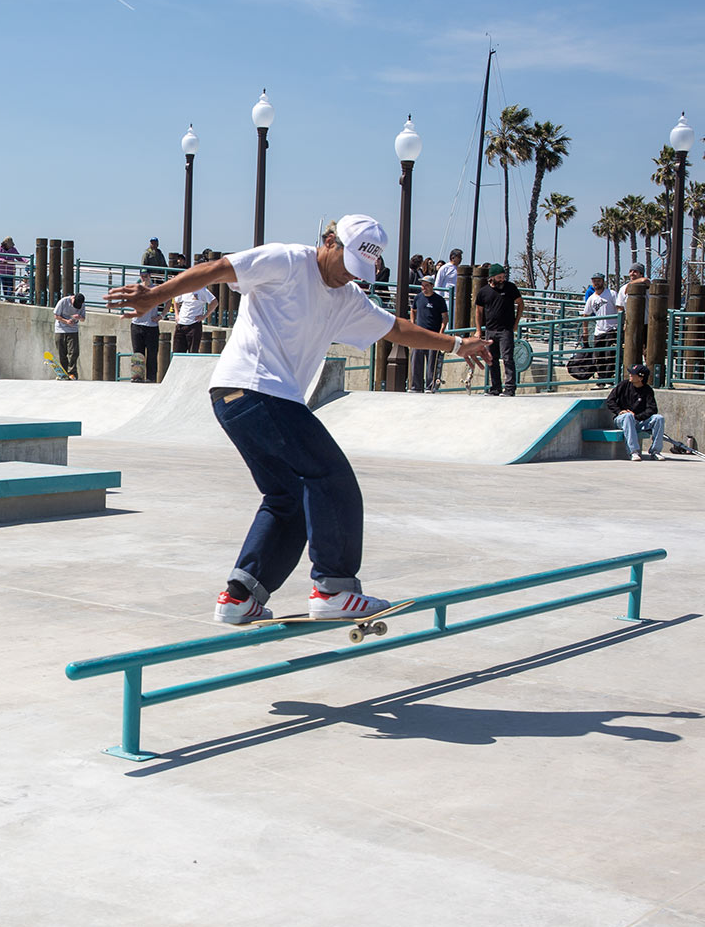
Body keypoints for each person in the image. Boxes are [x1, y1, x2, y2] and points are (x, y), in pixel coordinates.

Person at [107, 214, 489, 624]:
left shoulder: (348, 298)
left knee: (289, 499)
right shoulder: (286, 260)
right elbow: (216, 269)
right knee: (331, 478)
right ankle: (335, 587)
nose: (347, 277)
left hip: (242, 400)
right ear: (329, 241)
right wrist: (156, 295)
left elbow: (394, 328)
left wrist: (455, 344)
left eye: (358, 272)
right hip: (255, 389)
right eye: (345, 265)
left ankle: (240, 597)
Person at [473, 263, 524, 396]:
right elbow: (478, 311)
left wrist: (516, 322)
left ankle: (510, 388)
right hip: (490, 330)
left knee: (507, 358)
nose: (502, 279)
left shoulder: (510, 288)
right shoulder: (484, 292)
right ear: (492, 278)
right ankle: (495, 387)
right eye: (499, 277)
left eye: (503, 277)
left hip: (505, 329)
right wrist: (479, 330)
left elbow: (520, 303)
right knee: (491, 358)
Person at [605, 363, 665, 461]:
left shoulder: (647, 390)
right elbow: (610, 400)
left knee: (659, 418)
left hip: (638, 420)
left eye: (633, 374)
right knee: (628, 416)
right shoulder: (623, 385)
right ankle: (633, 452)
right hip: (622, 419)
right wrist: (619, 411)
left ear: (641, 378)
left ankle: (655, 451)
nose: (630, 375)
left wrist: (637, 416)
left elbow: (652, 409)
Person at [410, 278, 448, 391]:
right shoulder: (418, 298)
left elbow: (445, 317)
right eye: (422, 285)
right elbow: (413, 310)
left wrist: (441, 332)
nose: (424, 288)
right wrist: (413, 323)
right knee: (416, 361)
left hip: (433, 335)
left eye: (426, 285)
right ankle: (416, 386)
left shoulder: (439, 300)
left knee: (432, 363)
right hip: (419, 335)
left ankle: (430, 386)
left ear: (431, 286)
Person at [129, 292, 164, 382]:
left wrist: (161, 316)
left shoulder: (155, 290)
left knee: (152, 354)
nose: (144, 277)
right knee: (138, 353)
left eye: (146, 276)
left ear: (150, 276)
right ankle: (137, 376)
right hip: (136, 325)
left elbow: (168, 301)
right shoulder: (136, 290)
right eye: (142, 276)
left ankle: (151, 378)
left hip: (151, 326)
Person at [173, 282, 216, 353]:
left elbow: (214, 302)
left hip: (194, 325)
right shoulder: (183, 288)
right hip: (181, 324)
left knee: (193, 352)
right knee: (177, 353)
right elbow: (176, 300)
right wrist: (176, 314)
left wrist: (204, 316)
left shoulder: (202, 290)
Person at [53, 292, 85, 379]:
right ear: (73, 298)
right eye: (75, 304)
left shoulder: (81, 304)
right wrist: (66, 321)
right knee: (62, 352)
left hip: (73, 330)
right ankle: (63, 372)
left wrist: (79, 317)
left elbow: (83, 319)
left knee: (74, 352)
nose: (77, 306)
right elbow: (56, 315)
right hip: (60, 329)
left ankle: (72, 373)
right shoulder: (63, 301)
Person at [0, 237, 27, 302]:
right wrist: (2, 260)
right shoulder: (0, 249)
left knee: (10, 285)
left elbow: (18, 257)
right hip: (2, 271)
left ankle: (9, 298)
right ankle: (7, 298)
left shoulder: (13, 249)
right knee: (5, 286)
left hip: (10, 271)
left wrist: (26, 261)